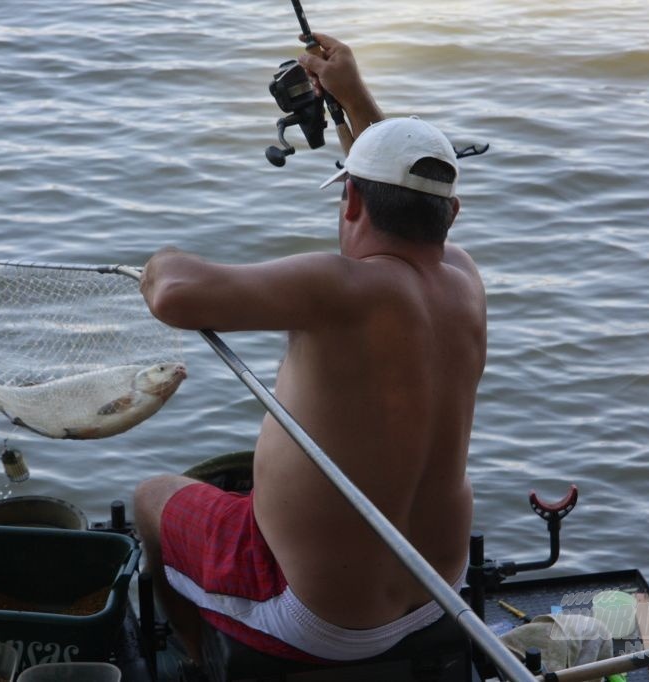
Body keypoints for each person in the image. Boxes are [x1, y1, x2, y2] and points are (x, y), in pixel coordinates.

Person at [133, 32, 486, 665]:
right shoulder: (464, 279)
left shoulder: (336, 286)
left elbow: (174, 294)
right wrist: (351, 97)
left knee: (151, 498)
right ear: (451, 215)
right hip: (440, 589)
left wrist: (157, 258)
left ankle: (191, 657)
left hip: (317, 615)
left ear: (350, 199)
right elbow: (398, 177)